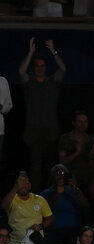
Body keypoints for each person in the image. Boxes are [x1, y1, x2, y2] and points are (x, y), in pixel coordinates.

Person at [18, 38, 66, 188]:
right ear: (34, 67)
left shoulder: (52, 82)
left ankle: (51, 197)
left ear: (46, 67)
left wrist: (53, 51)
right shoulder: (29, 83)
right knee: (35, 167)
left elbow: (63, 69)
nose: (40, 68)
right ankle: (36, 198)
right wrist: (30, 53)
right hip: (33, 132)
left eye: (42, 65)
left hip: (50, 131)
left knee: (50, 166)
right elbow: (21, 72)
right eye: (37, 66)